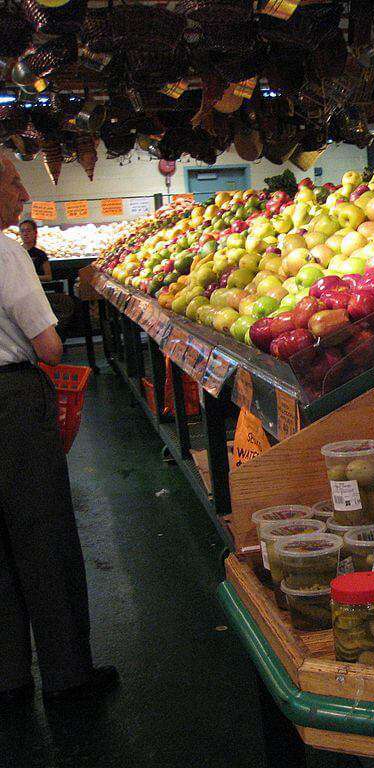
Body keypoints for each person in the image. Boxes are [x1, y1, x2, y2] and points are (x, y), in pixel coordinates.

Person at [0, 153, 117, 705]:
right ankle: (68, 675)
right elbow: (47, 345)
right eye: (15, 182)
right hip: (11, 402)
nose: (23, 195)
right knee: (42, 534)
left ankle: (9, 675)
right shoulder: (5, 250)